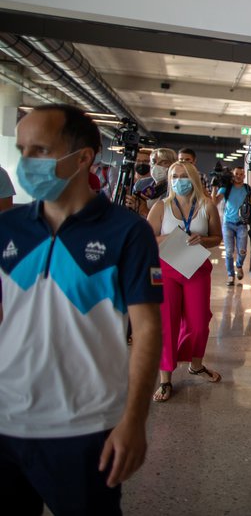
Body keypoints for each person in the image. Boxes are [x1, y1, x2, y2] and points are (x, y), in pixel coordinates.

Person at [0, 104, 162, 515]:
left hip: (84, 427)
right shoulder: (9, 228)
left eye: (40, 150)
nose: (26, 163)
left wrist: (133, 421)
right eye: (22, 150)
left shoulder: (126, 232)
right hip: (6, 419)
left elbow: (146, 330)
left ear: (83, 157)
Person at [147, 161, 223, 402]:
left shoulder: (206, 206)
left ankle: (196, 365)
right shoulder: (162, 206)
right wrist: (168, 237)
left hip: (196, 267)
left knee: (199, 322)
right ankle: (166, 379)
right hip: (165, 268)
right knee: (166, 322)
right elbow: (147, 236)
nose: (179, 180)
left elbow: (217, 238)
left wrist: (202, 239)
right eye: (174, 176)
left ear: (193, 178)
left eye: (184, 176)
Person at [213, 166, 251, 286]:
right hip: (228, 224)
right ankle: (230, 275)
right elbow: (214, 202)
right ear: (233, 175)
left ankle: (239, 265)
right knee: (229, 251)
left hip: (242, 224)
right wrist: (214, 187)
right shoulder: (226, 188)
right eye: (236, 174)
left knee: (242, 251)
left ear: (244, 176)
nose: (238, 176)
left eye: (241, 174)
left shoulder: (248, 189)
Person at [127, 147, 176, 218]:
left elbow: (168, 220)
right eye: (154, 162)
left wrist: (144, 210)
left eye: (164, 163)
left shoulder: (175, 189)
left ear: (173, 165)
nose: (157, 166)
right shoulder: (141, 184)